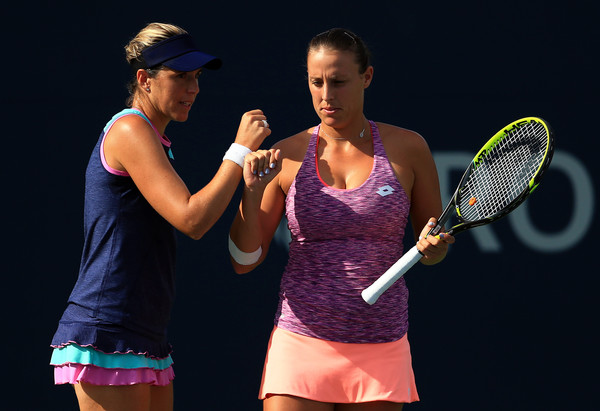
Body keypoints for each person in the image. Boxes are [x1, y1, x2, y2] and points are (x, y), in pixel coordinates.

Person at [49, 22, 277, 411]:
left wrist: (249, 183)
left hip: (143, 331)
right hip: (106, 326)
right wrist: (238, 150)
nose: (194, 89)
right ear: (145, 79)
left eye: (197, 78)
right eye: (181, 77)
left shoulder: (153, 138)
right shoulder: (129, 129)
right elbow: (192, 220)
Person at [228, 28, 455, 410]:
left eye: (339, 81)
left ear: (366, 77)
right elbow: (244, 260)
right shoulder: (286, 154)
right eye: (316, 82)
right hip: (300, 341)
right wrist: (250, 194)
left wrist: (433, 249)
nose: (326, 96)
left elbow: (433, 250)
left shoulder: (409, 148)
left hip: (381, 345)